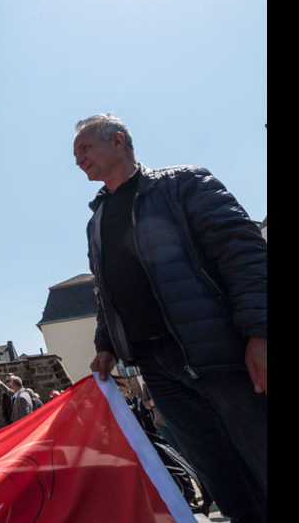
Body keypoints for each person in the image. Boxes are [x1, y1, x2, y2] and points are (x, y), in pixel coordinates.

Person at [74, 113, 267, 522]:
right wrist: (106, 345)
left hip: (219, 352)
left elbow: (243, 254)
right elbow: (106, 291)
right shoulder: (95, 223)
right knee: (221, 475)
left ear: (118, 141)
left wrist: (260, 332)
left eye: (84, 148)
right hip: (156, 367)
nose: (78, 160)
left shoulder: (184, 183)